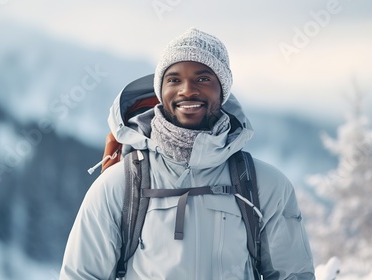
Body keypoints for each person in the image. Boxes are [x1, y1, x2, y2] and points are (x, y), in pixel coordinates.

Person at [60, 28, 315, 280]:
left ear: (222, 90)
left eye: (203, 79)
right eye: (173, 79)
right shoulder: (119, 185)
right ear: (161, 91)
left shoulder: (265, 185)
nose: (187, 90)